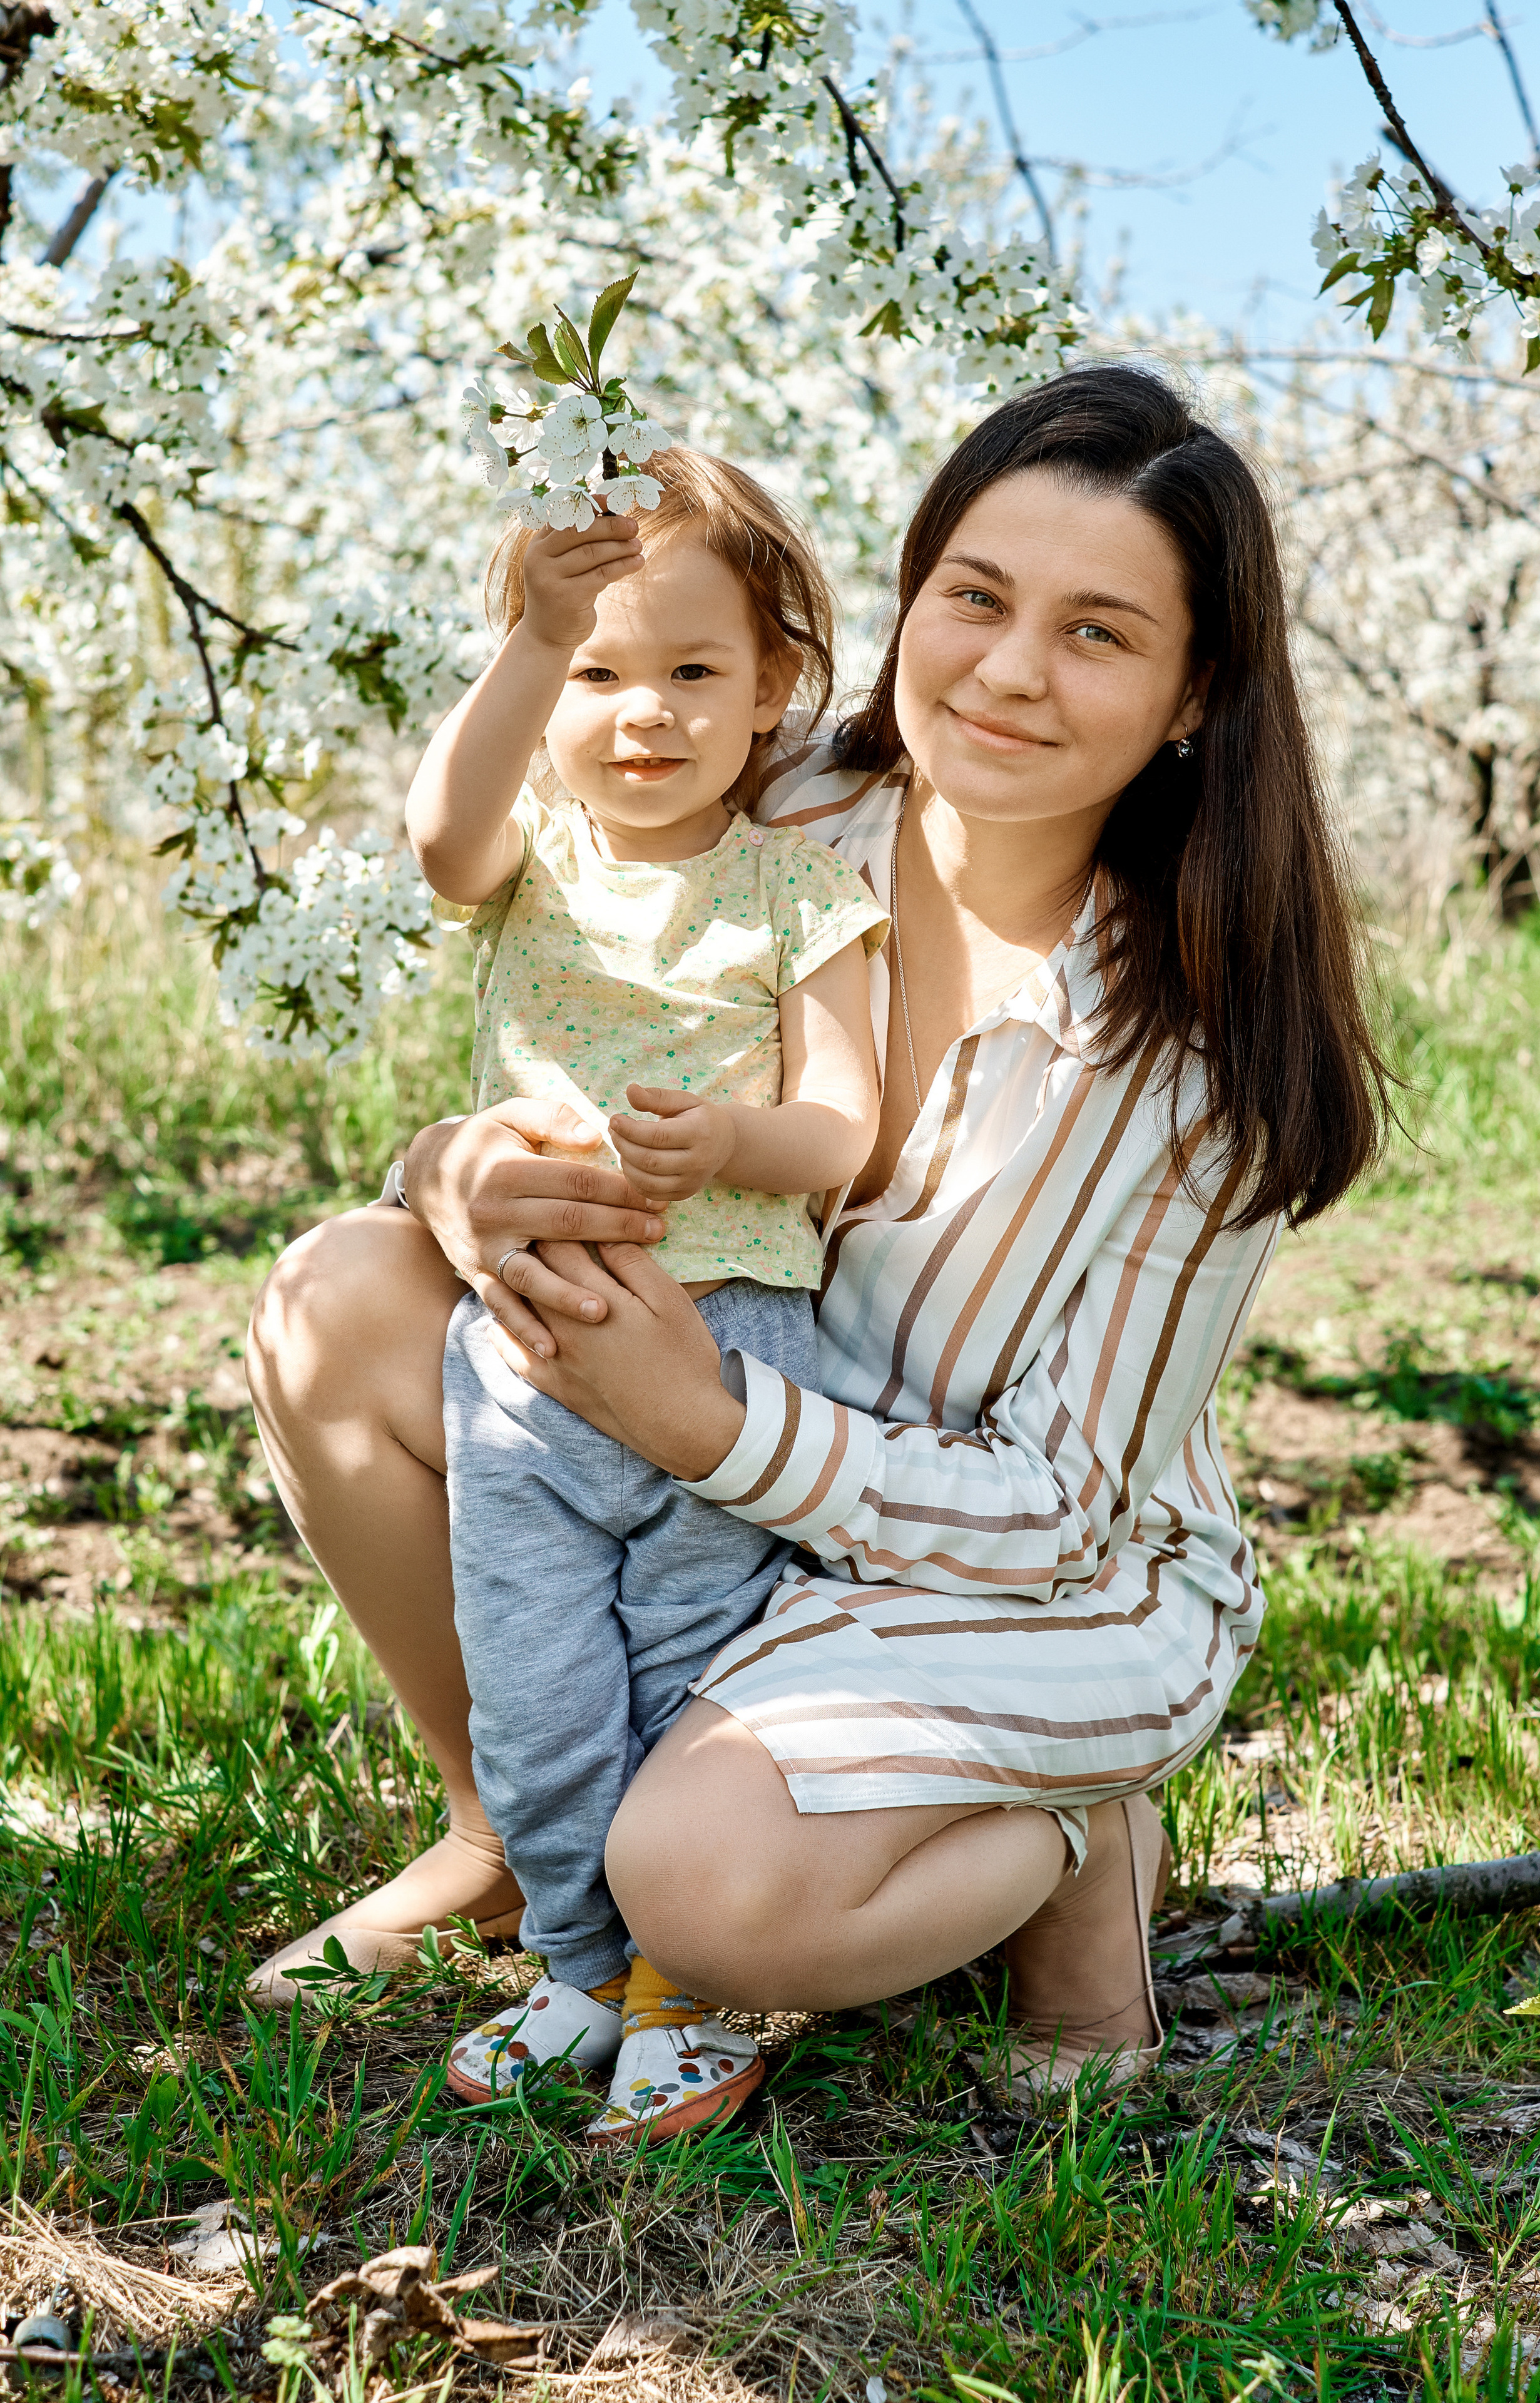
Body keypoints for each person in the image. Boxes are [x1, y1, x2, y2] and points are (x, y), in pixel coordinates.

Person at [247, 363, 1389, 2125]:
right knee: (338, 1297)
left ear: (1191, 697)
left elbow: (1065, 1503)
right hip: (705, 1446)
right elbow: (510, 927)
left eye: (1098, 633)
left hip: (1005, 1559)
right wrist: (452, 1172)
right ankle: (498, 1832)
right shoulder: (769, 811)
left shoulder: (1199, 1068)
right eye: (977, 598)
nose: (1009, 671)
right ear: (910, 597)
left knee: (708, 1889)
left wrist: (703, 1423)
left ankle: (1068, 1828)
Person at [399, 448, 887, 2141]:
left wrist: (734, 1141)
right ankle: (577, 1970)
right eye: (599, 673)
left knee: (691, 1675)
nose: (643, 715)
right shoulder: (531, 856)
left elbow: (841, 1124)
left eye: (694, 673)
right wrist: (528, 639)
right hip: (525, 1359)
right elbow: (438, 840)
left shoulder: (802, 888)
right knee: (533, 1685)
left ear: (775, 692)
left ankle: (686, 1986)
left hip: (730, 1346)